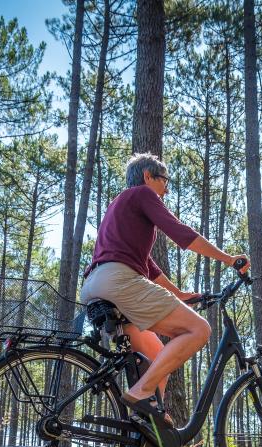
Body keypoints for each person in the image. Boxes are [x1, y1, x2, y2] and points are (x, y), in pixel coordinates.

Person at [80, 152, 249, 428]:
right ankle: (140, 393)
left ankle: (150, 443)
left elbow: (147, 264)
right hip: (120, 282)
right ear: (148, 176)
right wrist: (229, 259)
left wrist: (179, 294)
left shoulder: (119, 204)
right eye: (165, 180)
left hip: (96, 285)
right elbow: (180, 232)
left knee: (158, 358)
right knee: (199, 330)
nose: (167, 189)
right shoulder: (142, 195)